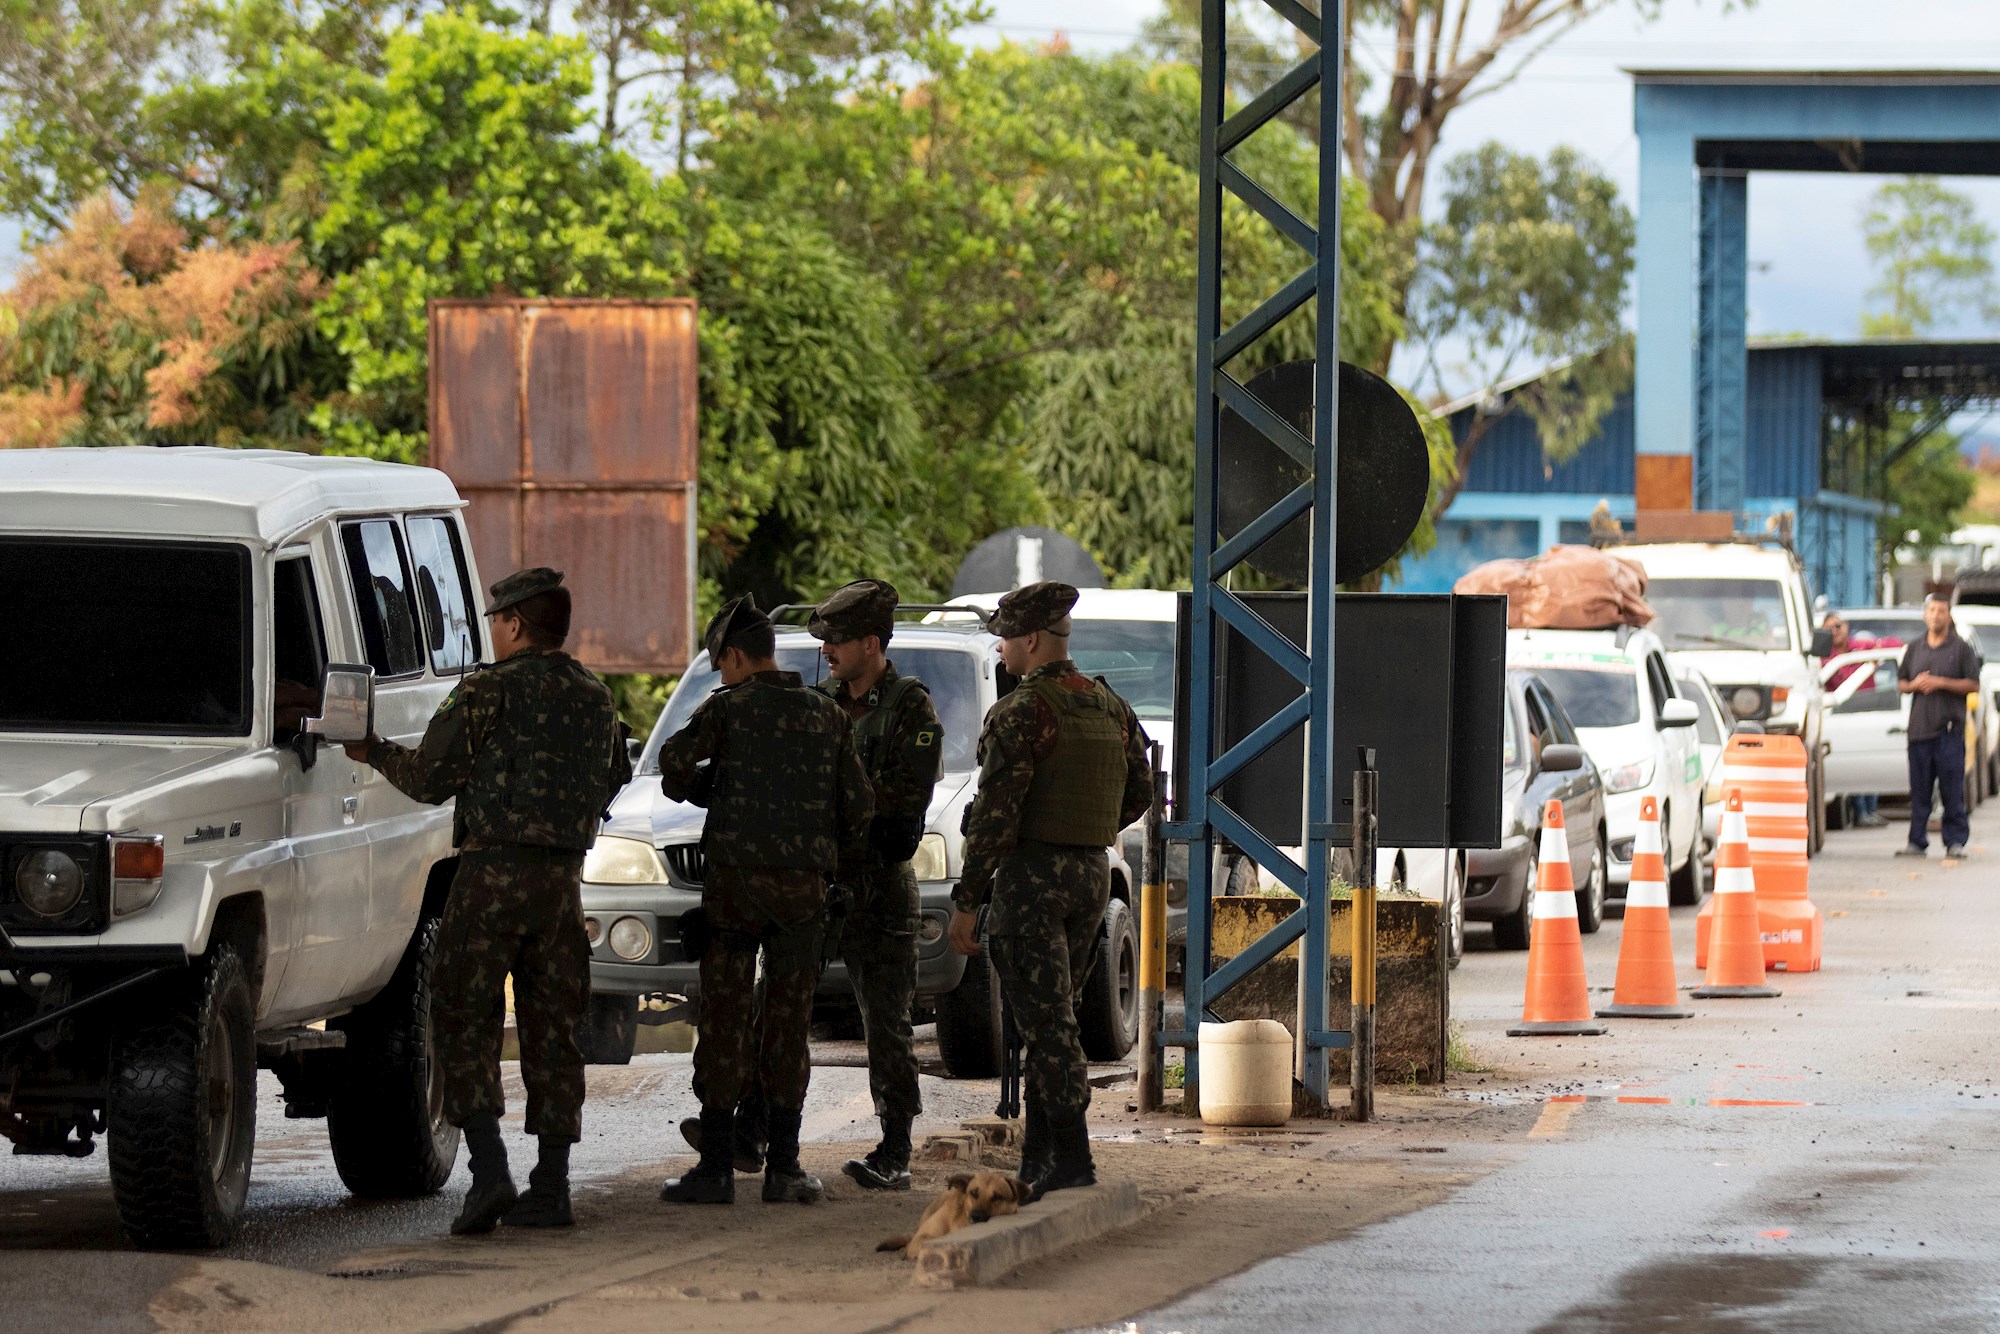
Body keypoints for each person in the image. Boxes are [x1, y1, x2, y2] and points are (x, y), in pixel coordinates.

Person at [346, 567, 630, 1235]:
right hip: (561, 883)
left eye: (496, 619)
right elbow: (612, 775)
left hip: (489, 878)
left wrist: (370, 749)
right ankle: (552, 1185)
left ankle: (489, 1169)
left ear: (513, 625)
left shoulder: (486, 690)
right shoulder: (595, 696)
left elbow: (428, 778)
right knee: (554, 1030)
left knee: (460, 1013)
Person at [657, 595, 874, 1206]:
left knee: (724, 1017)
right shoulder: (825, 716)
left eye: (719, 662)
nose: (720, 673)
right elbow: (857, 807)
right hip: (804, 892)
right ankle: (784, 1167)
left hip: (735, 890)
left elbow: (673, 763)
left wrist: (710, 790)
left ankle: (718, 1168)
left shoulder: (728, 710)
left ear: (733, 656)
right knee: (788, 1022)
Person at [947, 581, 1153, 1198]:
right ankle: (1040, 1162)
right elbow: (1140, 791)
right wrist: (1085, 833)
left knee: (1049, 1027)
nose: (1002, 651)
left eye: (1007, 639)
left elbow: (994, 818)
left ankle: (1073, 1161)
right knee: (1048, 1021)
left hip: (1032, 883)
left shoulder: (1020, 712)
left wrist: (967, 902)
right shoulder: (1109, 707)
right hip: (1091, 875)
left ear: (1032, 639)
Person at [806, 580, 945, 1193]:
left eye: (837, 641)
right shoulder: (822, 703)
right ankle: (755, 1129)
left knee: (885, 1021)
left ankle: (895, 1146)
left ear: (872, 642)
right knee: (780, 1007)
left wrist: (839, 810)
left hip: (880, 883)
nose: (827, 651)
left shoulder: (910, 706)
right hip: (821, 878)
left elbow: (902, 803)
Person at [1895, 594, 1982, 858]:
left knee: (1951, 790)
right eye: (1931, 610)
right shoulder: (1914, 648)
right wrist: (1915, 685)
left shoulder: (1961, 648)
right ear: (1925, 615)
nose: (1935, 615)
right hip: (1919, 732)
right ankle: (1917, 841)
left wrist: (1941, 683)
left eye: (1941, 611)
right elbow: (1901, 683)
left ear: (1948, 615)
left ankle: (1955, 841)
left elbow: (1973, 684)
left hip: (1949, 732)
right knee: (1920, 791)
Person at [1822, 611, 1899, 828]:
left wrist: (1877, 648)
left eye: (1838, 626)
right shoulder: (1824, 657)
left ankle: (1870, 809)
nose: (1835, 631)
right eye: (1829, 628)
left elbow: (1895, 645)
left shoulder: (1861, 648)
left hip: (1868, 709)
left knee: (1870, 760)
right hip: (1841, 716)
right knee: (1852, 762)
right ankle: (1860, 811)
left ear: (1846, 627)